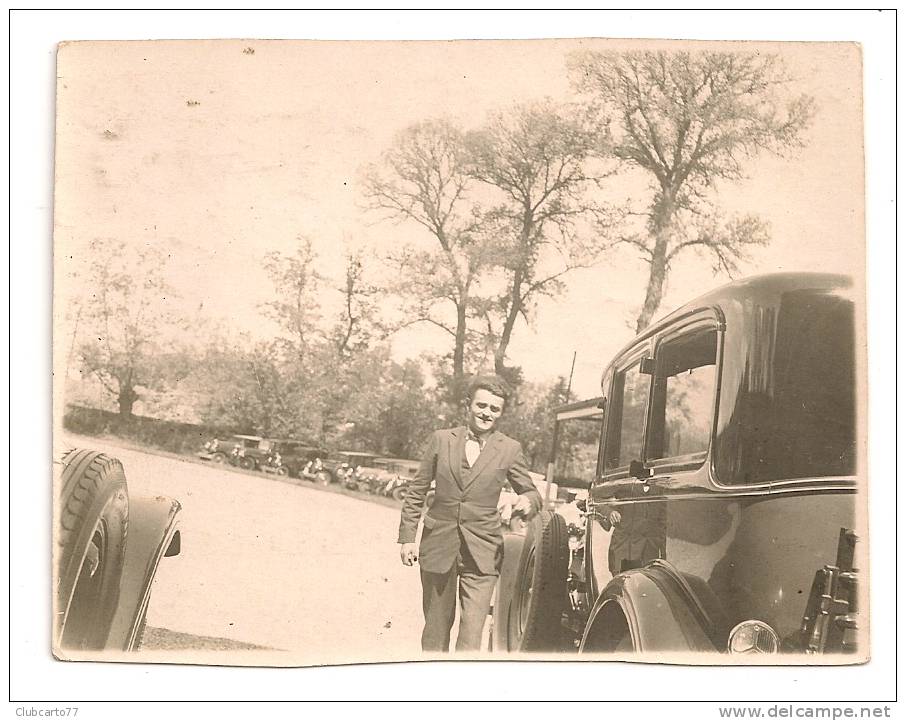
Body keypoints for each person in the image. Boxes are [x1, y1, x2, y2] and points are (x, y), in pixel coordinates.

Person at [397, 374, 541, 653]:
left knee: (471, 635)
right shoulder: (441, 440)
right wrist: (407, 539)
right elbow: (417, 491)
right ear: (469, 405)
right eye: (482, 405)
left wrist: (525, 501)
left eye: (494, 409)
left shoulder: (510, 449)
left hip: (483, 552)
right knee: (435, 632)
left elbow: (533, 494)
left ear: (501, 413)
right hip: (439, 546)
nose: (486, 413)